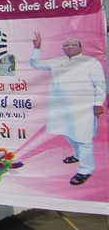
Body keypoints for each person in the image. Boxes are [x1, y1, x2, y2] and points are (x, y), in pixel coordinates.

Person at [30, 33, 107, 186]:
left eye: (73, 44)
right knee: (66, 132)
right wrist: (37, 48)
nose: (70, 47)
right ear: (63, 49)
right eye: (66, 45)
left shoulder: (90, 62)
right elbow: (35, 64)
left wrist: (98, 104)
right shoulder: (57, 61)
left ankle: (85, 170)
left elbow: (100, 85)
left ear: (80, 47)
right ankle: (77, 155)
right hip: (60, 107)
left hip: (83, 108)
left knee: (84, 138)